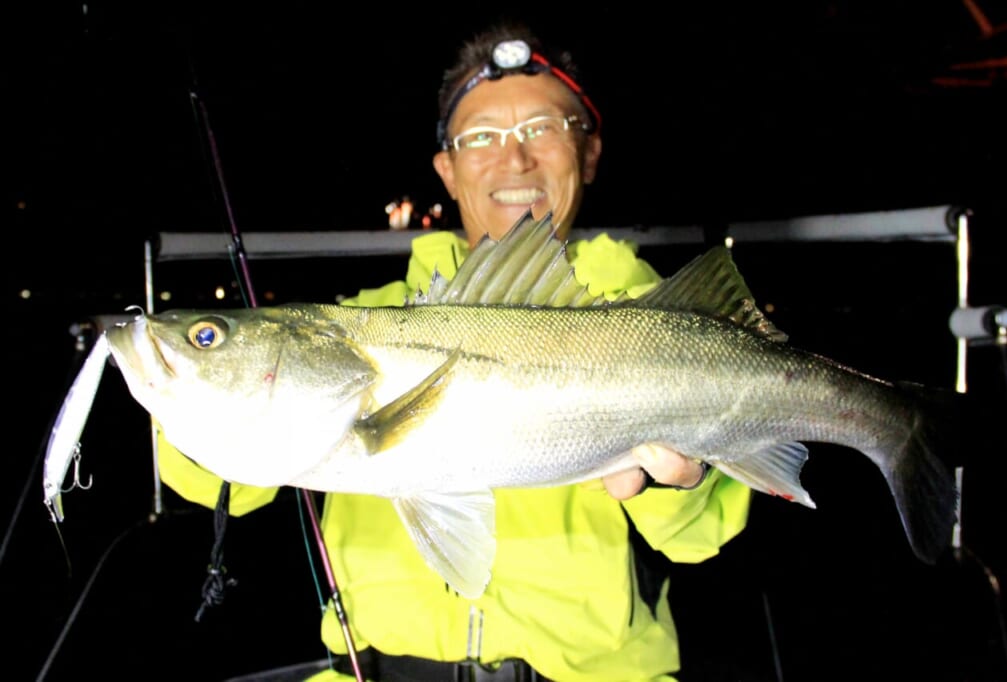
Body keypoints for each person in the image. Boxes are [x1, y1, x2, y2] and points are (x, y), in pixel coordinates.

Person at [158, 21, 751, 681]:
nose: (515, 160)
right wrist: (194, 395)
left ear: (588, 153)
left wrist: (673, 483)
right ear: (447, 168)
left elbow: (701, 537)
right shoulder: (359, 317)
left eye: (544, 128)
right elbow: (225, 488)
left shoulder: (667, 323)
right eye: (481, 136)